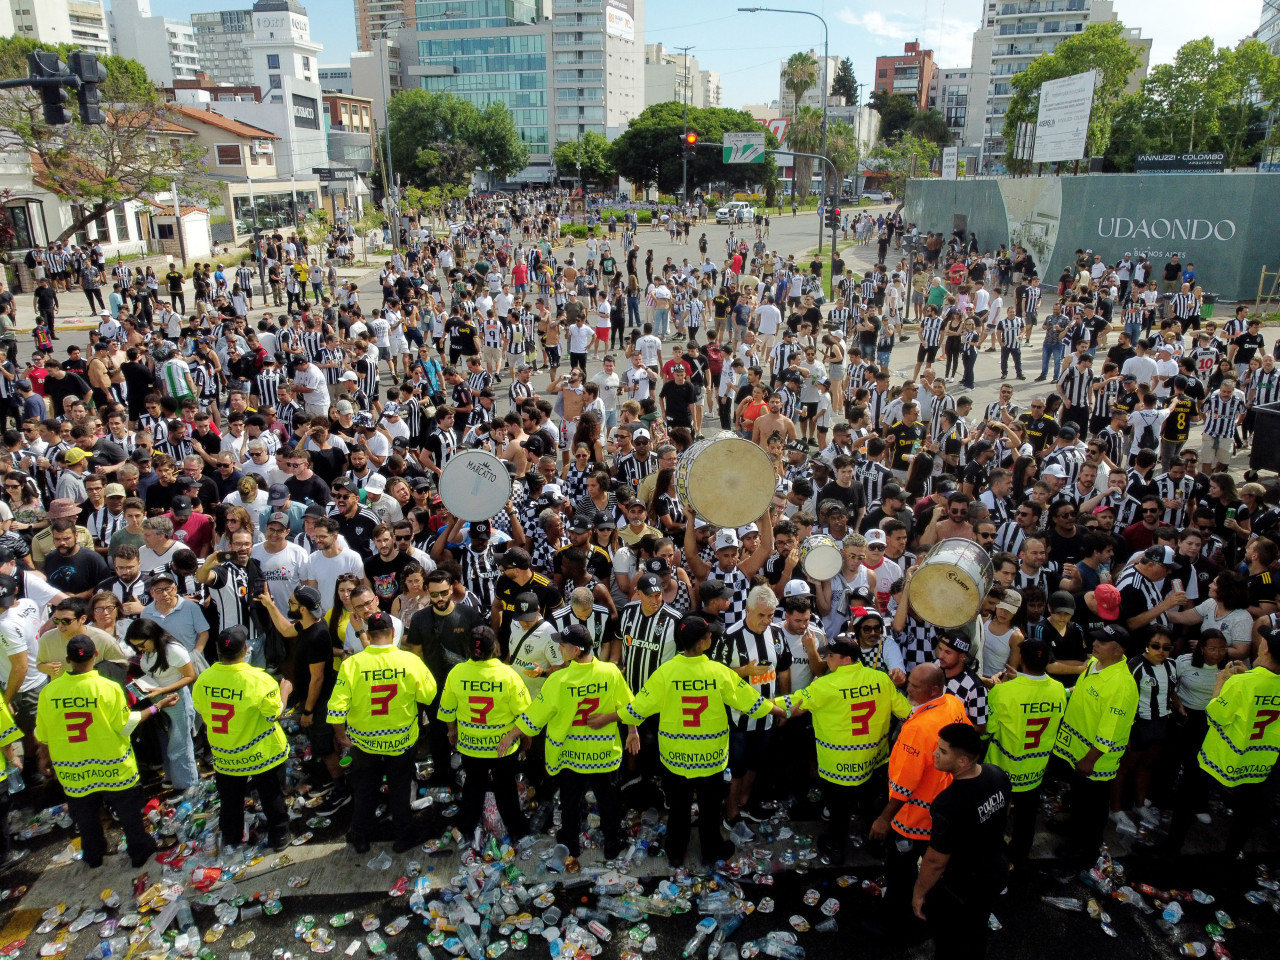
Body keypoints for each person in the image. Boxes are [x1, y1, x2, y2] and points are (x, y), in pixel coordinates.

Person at [587, 614, 786, 869]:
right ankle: (711, 851)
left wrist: (608, 718)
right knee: (710, 808)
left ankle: (675, 853)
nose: (712, 637)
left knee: (679, 808)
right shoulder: (719, 672)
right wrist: (781, 710)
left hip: (675, 758)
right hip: (710, 758)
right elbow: (752, 703)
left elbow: (638, 708)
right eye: (708, 635)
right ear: (702, 643)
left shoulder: (666, 672)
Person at [502, 623, 635, 871]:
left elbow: (536, 715)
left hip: (570, 755)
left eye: (562, 645)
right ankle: (611, 844)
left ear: (575, 651)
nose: (559, 648)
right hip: (603, 754)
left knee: (570, 801)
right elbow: (629, 707)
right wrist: (632, 731)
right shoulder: (611, 673)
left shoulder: (559, 680)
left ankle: (571, 844)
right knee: (607, 800)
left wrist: (512, 734)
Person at [35, 634, 172, 869]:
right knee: (129, 815)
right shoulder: (108, 687)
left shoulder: (49, 692)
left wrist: (44, 758)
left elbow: (43, 735)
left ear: (68, 660)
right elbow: (126, 724)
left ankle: (93, 855)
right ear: (96, 655)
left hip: (74, 771)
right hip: (113, 767)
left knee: (86, 818)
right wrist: (157, 706)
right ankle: (139, 850)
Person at [781, 622, 911, 860]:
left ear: (845, 659)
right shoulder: (881, 679)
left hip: (838, 767)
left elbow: (793, 705)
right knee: (872, 806)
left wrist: (757, 706)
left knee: (838, 811)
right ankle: (876, 845)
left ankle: (835, 847)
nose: (826, 660)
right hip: (874, 762)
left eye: (830, 656)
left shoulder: (824, 685)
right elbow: (906, 713)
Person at [1163, 624, 1280, 859]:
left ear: (1266, 649)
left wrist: (1220, 683)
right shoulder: (1250, 679)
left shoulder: (1243, 682)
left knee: (1188, 798)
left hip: (1219, 757)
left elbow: (1216, 714)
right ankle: (1230, 857)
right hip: (1259, 761)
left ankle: (1170, 851)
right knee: (1245, 813)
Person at [327, 610, 437, 852]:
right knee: (399, 787)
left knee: (365, 787)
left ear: (367, 633)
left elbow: (336, 707)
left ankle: (360, 836)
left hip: (364, 742)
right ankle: (403, 836)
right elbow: (428, 695)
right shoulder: (410, 661)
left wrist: (341, 736)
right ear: (394, 633)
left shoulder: (352, 664)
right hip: (401, 739)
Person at [870, 662, 970, 923]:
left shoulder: (917, 728)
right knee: (933, 866)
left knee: (901, 870)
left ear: (934, 689)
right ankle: (927, 905)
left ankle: (895, 920)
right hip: (944, 806)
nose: (908, 689)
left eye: (915, 686)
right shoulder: (953, 703)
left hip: (913, 817)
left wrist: (884, 818)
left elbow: (904, 785)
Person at [911, 722, 1012, 960]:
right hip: (995, 870)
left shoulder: (948, 802)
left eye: (943, 751)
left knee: (949, 941)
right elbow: (1005, 811)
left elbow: (935, 860)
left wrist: (918, 892)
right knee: (977, 929)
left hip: (962, 885)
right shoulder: (997, 774)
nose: (935, 753)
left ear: (963, 761)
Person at [191, 625, 291, 852]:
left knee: (230, 798)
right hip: (261, 752)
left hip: (225, 753)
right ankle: (280, 835)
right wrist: (284, 691)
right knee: (270, 794)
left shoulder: (204, 679)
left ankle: (232, 837)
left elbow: (202, 711)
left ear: (218, 651)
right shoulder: (259, 679)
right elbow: (274, 713)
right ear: (246, 649)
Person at [1050, 623, 1139, 866]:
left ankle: (1086, 850)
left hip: (1095, 760)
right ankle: (1075, 832)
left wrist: (1091, 758)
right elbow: (1078, 690)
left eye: (1102, 641)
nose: (1095, 644)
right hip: (1078, 751)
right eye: (1096, 639)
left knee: (1094, 806)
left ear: (1118, 650)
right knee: (1080, 799)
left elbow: (1109, 729)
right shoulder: (1094, 664)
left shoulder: (1121, 685)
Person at [438, 625, 533, 847]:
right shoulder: (508, 675)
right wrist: (521, 736)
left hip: (471, 745)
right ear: (496, 648)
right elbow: (524, 713)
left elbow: (447, 710)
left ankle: (467, 829)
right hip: (502, 747)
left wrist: (452, 730)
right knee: (506, 789)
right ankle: (517, 831)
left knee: (473, 787)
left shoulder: (457, 673)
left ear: (469, 648)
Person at [984, 636, 1066, 868]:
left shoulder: (1003, 692)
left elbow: (989, 729)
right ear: (1048, 661)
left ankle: (994, 858)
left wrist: (1003, 687)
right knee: (1027, 819)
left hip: (1002, 771)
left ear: (1020, 659)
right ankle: (1019, 858)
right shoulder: (1058, 689)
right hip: (1035, 771)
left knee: (996, 818)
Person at [124, 619, 199, 791]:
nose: (139, 650)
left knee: (180, 744)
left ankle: (187, 785)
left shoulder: (172, 650)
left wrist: (162, 689)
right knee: (164, 742)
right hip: (156, 697)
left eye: (142, 645)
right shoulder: (150, 651)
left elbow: (190, 676)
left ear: (153, 636)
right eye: (136, 647)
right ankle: (173, 777)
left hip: (175, 698)